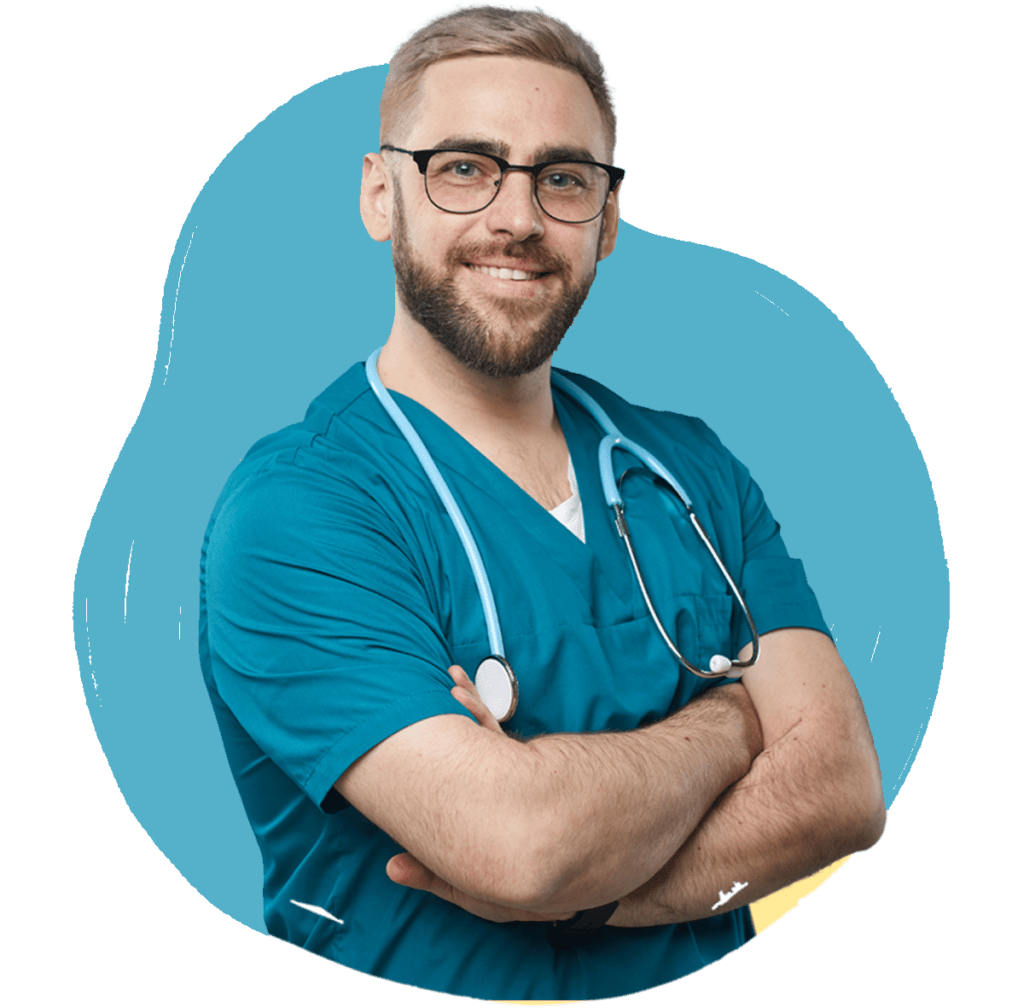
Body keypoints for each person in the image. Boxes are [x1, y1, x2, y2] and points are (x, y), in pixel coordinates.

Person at [199, 5, 886, 1000]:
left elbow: (841, 792)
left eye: (561, 177)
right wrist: (736, 721)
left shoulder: (689, 467)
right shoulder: (298, 513)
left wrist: (587, 891)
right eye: (464, 166)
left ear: (606, 219)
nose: (515, 219)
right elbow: (520, 848)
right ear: (380, 193)